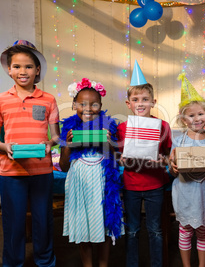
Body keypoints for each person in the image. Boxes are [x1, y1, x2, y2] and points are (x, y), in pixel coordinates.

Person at [0, 40, 59, 266]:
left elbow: (56, 136)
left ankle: (45, 262)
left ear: (37, 70)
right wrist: (5, 147)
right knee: (13, 222)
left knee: (43, 221)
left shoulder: (48, 99)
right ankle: (12, 263)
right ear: (9, 70)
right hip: (11, 172)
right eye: (17, 66)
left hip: (42, 171)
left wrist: (49, 143)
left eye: (28, 66)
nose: (22, 71)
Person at [59, 78, 124, 267]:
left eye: (94, 104)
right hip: (79, 182)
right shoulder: (69, 128)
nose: (88, 108)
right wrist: (68, 146)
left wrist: (110, 143)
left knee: (103, 226)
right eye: (82, 104)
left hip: (102, 181)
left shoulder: (109, 126)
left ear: (101, 105)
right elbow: (64, 166)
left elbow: (117, 160)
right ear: (74, 105)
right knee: (83, 228)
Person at [117, 61, 172, 267]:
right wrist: (121, 160)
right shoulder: (122, 128)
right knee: (131, 230)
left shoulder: (163, 126)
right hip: (131, 185)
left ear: (153, 102)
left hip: (155, 185)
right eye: (135, 99)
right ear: (128, 104)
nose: (140, 103)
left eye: (145, 99)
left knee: (155, 229)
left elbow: (167, 155)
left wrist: (163, 161)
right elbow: (118, 156)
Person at [168, 73, 205, 267]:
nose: (197, 118)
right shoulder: (178, 141)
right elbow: (173, 171)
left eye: (201, 114)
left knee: (203, 230)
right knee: (185, 229)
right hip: (185, 192)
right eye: (191, 115)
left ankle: (201, 265)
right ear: (184, 119)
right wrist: (172, 165)